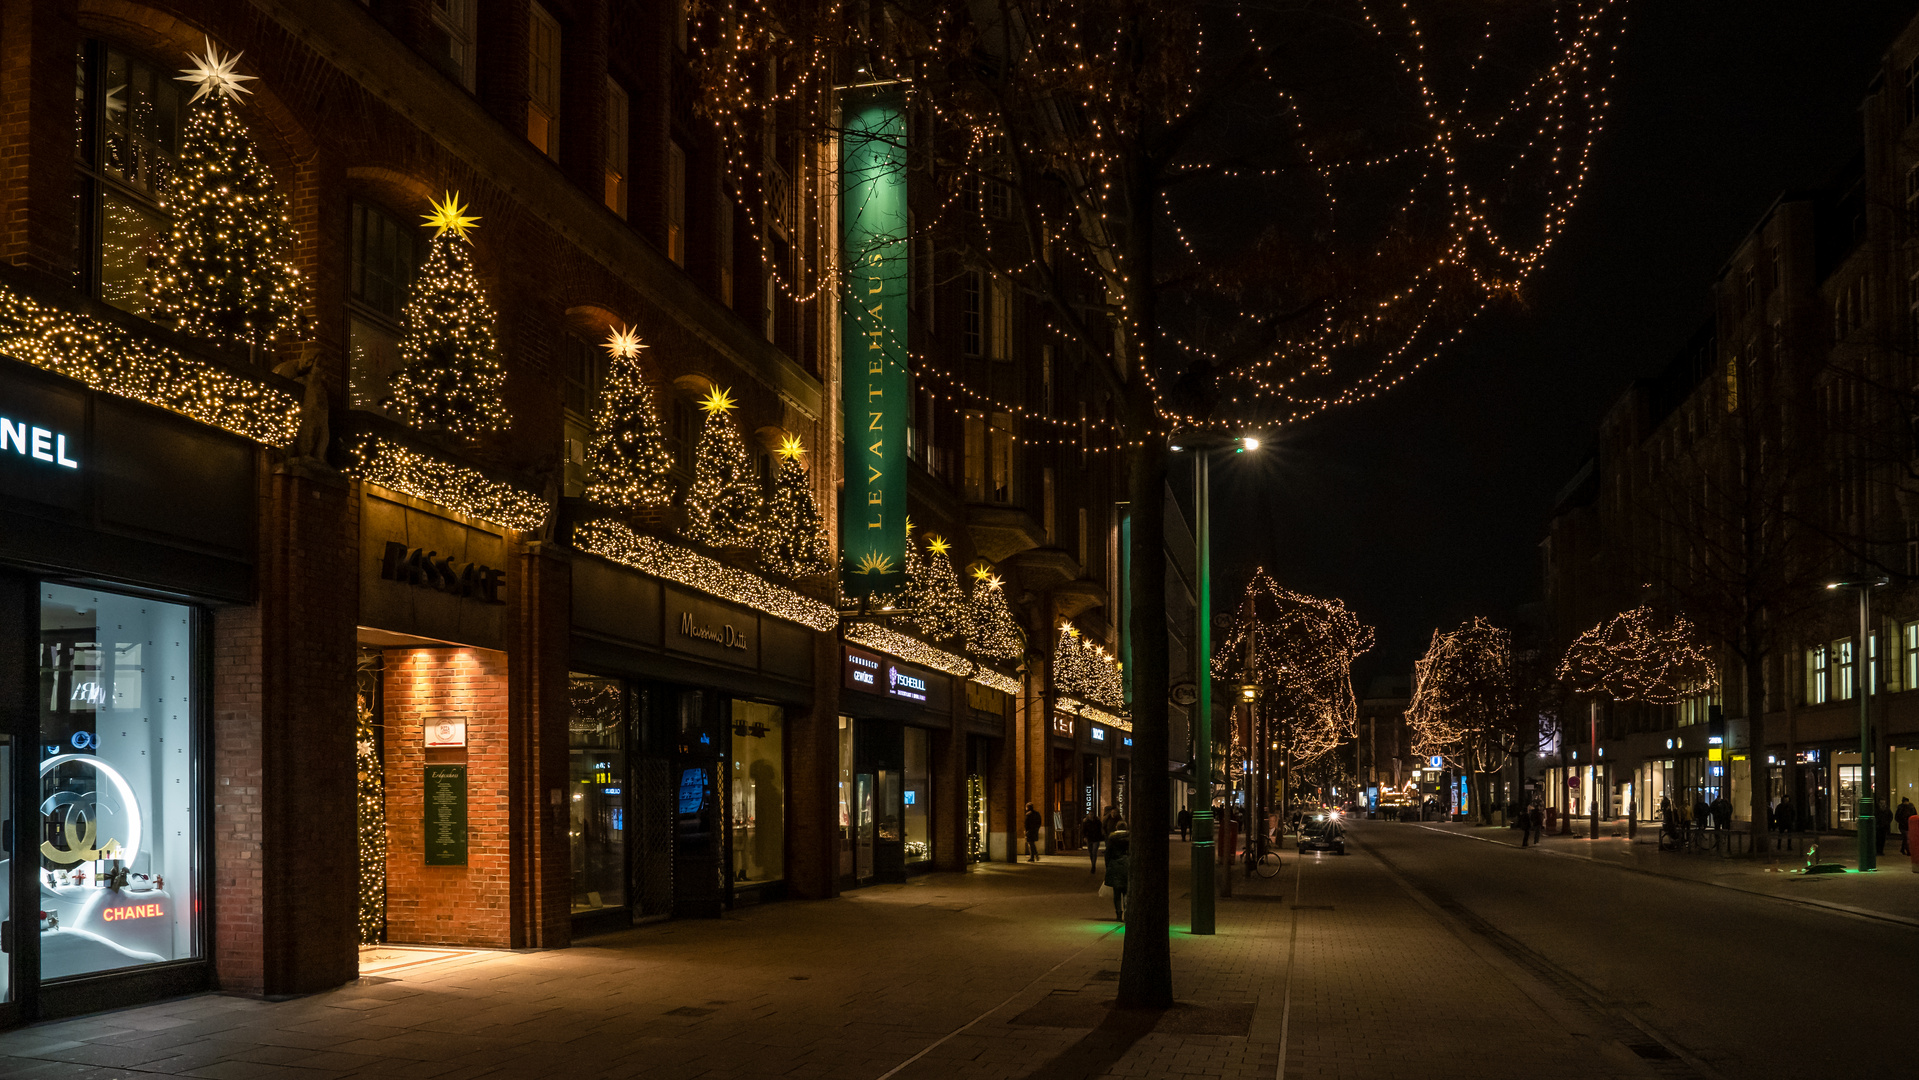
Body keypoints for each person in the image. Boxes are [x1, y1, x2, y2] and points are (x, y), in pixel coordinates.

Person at [1103, 820, 1131, 921]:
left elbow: (1108, 853)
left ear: (1116, 827)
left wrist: (1108, 866)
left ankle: (1118, 913)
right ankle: (1127, 912)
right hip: (1127, 865)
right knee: (1127, 891)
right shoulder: (1130, 839)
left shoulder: (1112, 839)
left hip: (1115, 865)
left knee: (1117, 892)